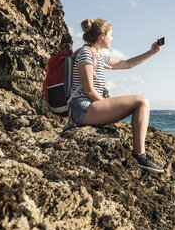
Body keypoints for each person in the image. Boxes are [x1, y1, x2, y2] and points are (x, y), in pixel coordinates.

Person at [69, 18, 164, 173]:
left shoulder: (98, 56)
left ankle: (140, 155)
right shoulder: (86, 54)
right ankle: (139, 155)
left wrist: (151, 52)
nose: (112, 38)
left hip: (89, 108)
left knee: (141, 101)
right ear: (101, 36)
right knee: (141, 101)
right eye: (110, 35)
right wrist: (107, 105)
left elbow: (127, 64)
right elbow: (88, 90)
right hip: (82, 109)